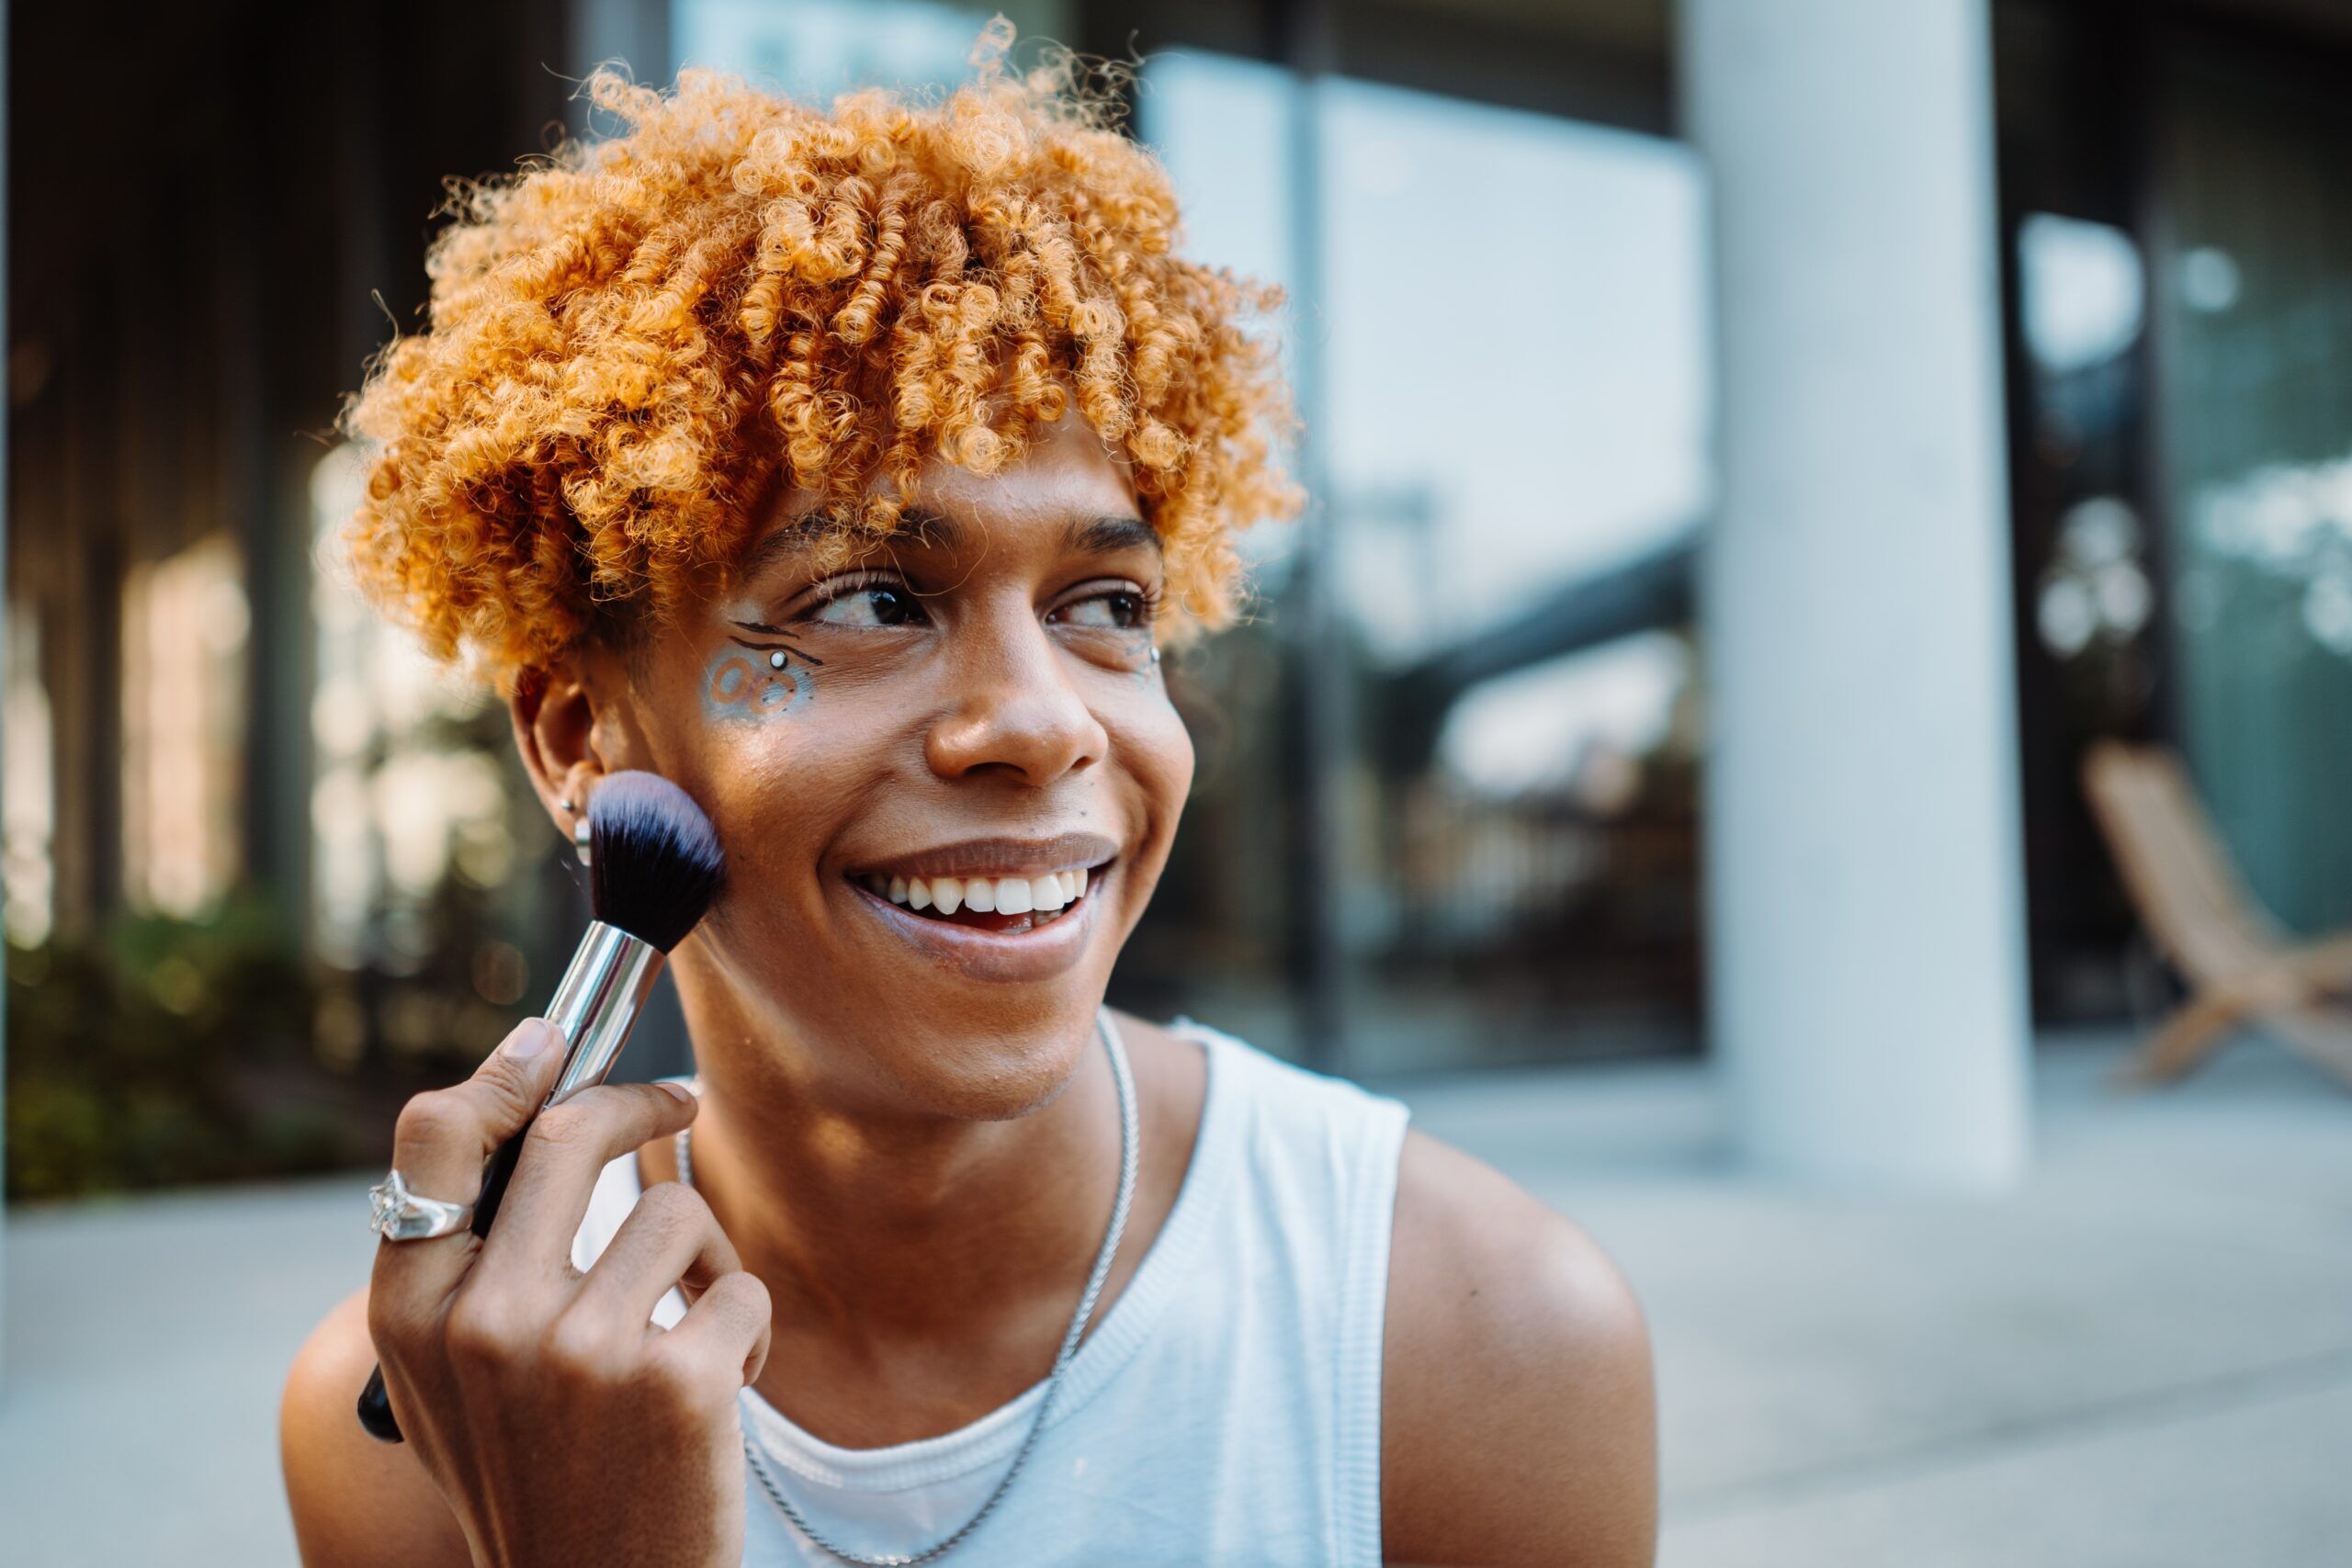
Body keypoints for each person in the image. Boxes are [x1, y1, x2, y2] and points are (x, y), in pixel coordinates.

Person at [280, 26, 1656, 1568]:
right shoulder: (416, 1428)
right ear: (577, 740)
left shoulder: (1469, 1341)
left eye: (1106, 606)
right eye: (870, 598)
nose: (1041, 723)